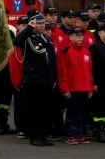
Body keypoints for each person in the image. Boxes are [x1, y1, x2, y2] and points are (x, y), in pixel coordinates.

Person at [14, 13, 56, 147]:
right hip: (33, 79)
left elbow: (52, 60)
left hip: (46, 80)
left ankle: (43, 135)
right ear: (33, 24)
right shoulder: (27, 38)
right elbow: (17, 42)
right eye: (39, 23)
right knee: (34, 110)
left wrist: (53, 78)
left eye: (43, 23)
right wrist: (29, 28)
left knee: (45, 109)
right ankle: (35, 136)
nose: (42, 25)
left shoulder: (46, 38)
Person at [58, 27, 94, 145]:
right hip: (72, 88)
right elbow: (62, 71)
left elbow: (89, 72)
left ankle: (78, 133)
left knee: (82, 112)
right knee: (72, 112)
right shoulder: (66, 51)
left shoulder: (86, 51)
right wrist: (65, 88)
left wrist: (90, 88)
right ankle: (71, 134)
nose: (80, 37)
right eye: (77, 35)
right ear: (70, 37)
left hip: (84, 88)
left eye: (81, 35)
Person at [89, 24, 105, 142]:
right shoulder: (95, 47)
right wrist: (94, 82)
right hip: (100, 83)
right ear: (100, 33)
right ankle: (99, 130)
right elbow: (91, 67)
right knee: (100, 108)